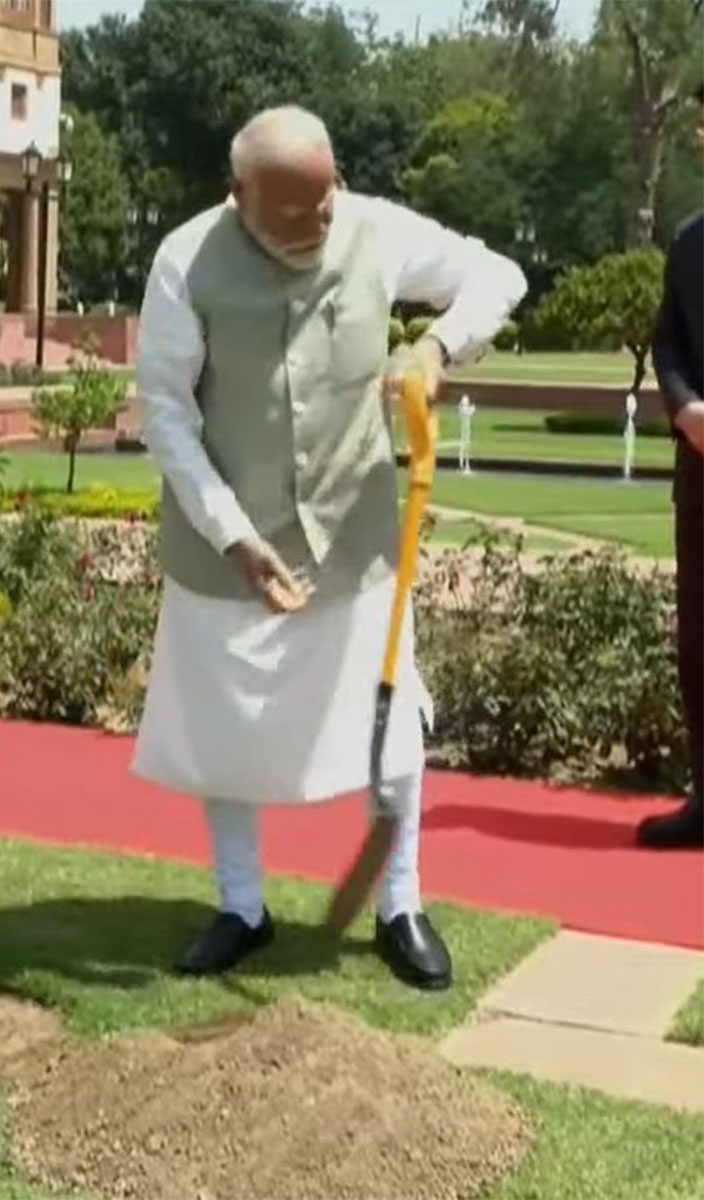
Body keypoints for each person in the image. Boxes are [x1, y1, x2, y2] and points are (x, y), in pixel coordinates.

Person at [129, 105, 526, 991]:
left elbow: (499, 275)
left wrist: (436, 346)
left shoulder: (375, 230)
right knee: (227, 729)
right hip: (223, 540)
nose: (318, 226)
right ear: (239, 197)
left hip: (355, 540)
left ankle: (401, 902)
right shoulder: (184, 260)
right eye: (293, 215)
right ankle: (241, 905)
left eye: (326, 202)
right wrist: (231, 532)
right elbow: (164, 409)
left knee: (391, 729)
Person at [637, 82, 703, 851]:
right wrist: (685, 407)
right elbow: (670, 342)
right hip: (701, 465)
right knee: (699, 636)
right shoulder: (690, 242)